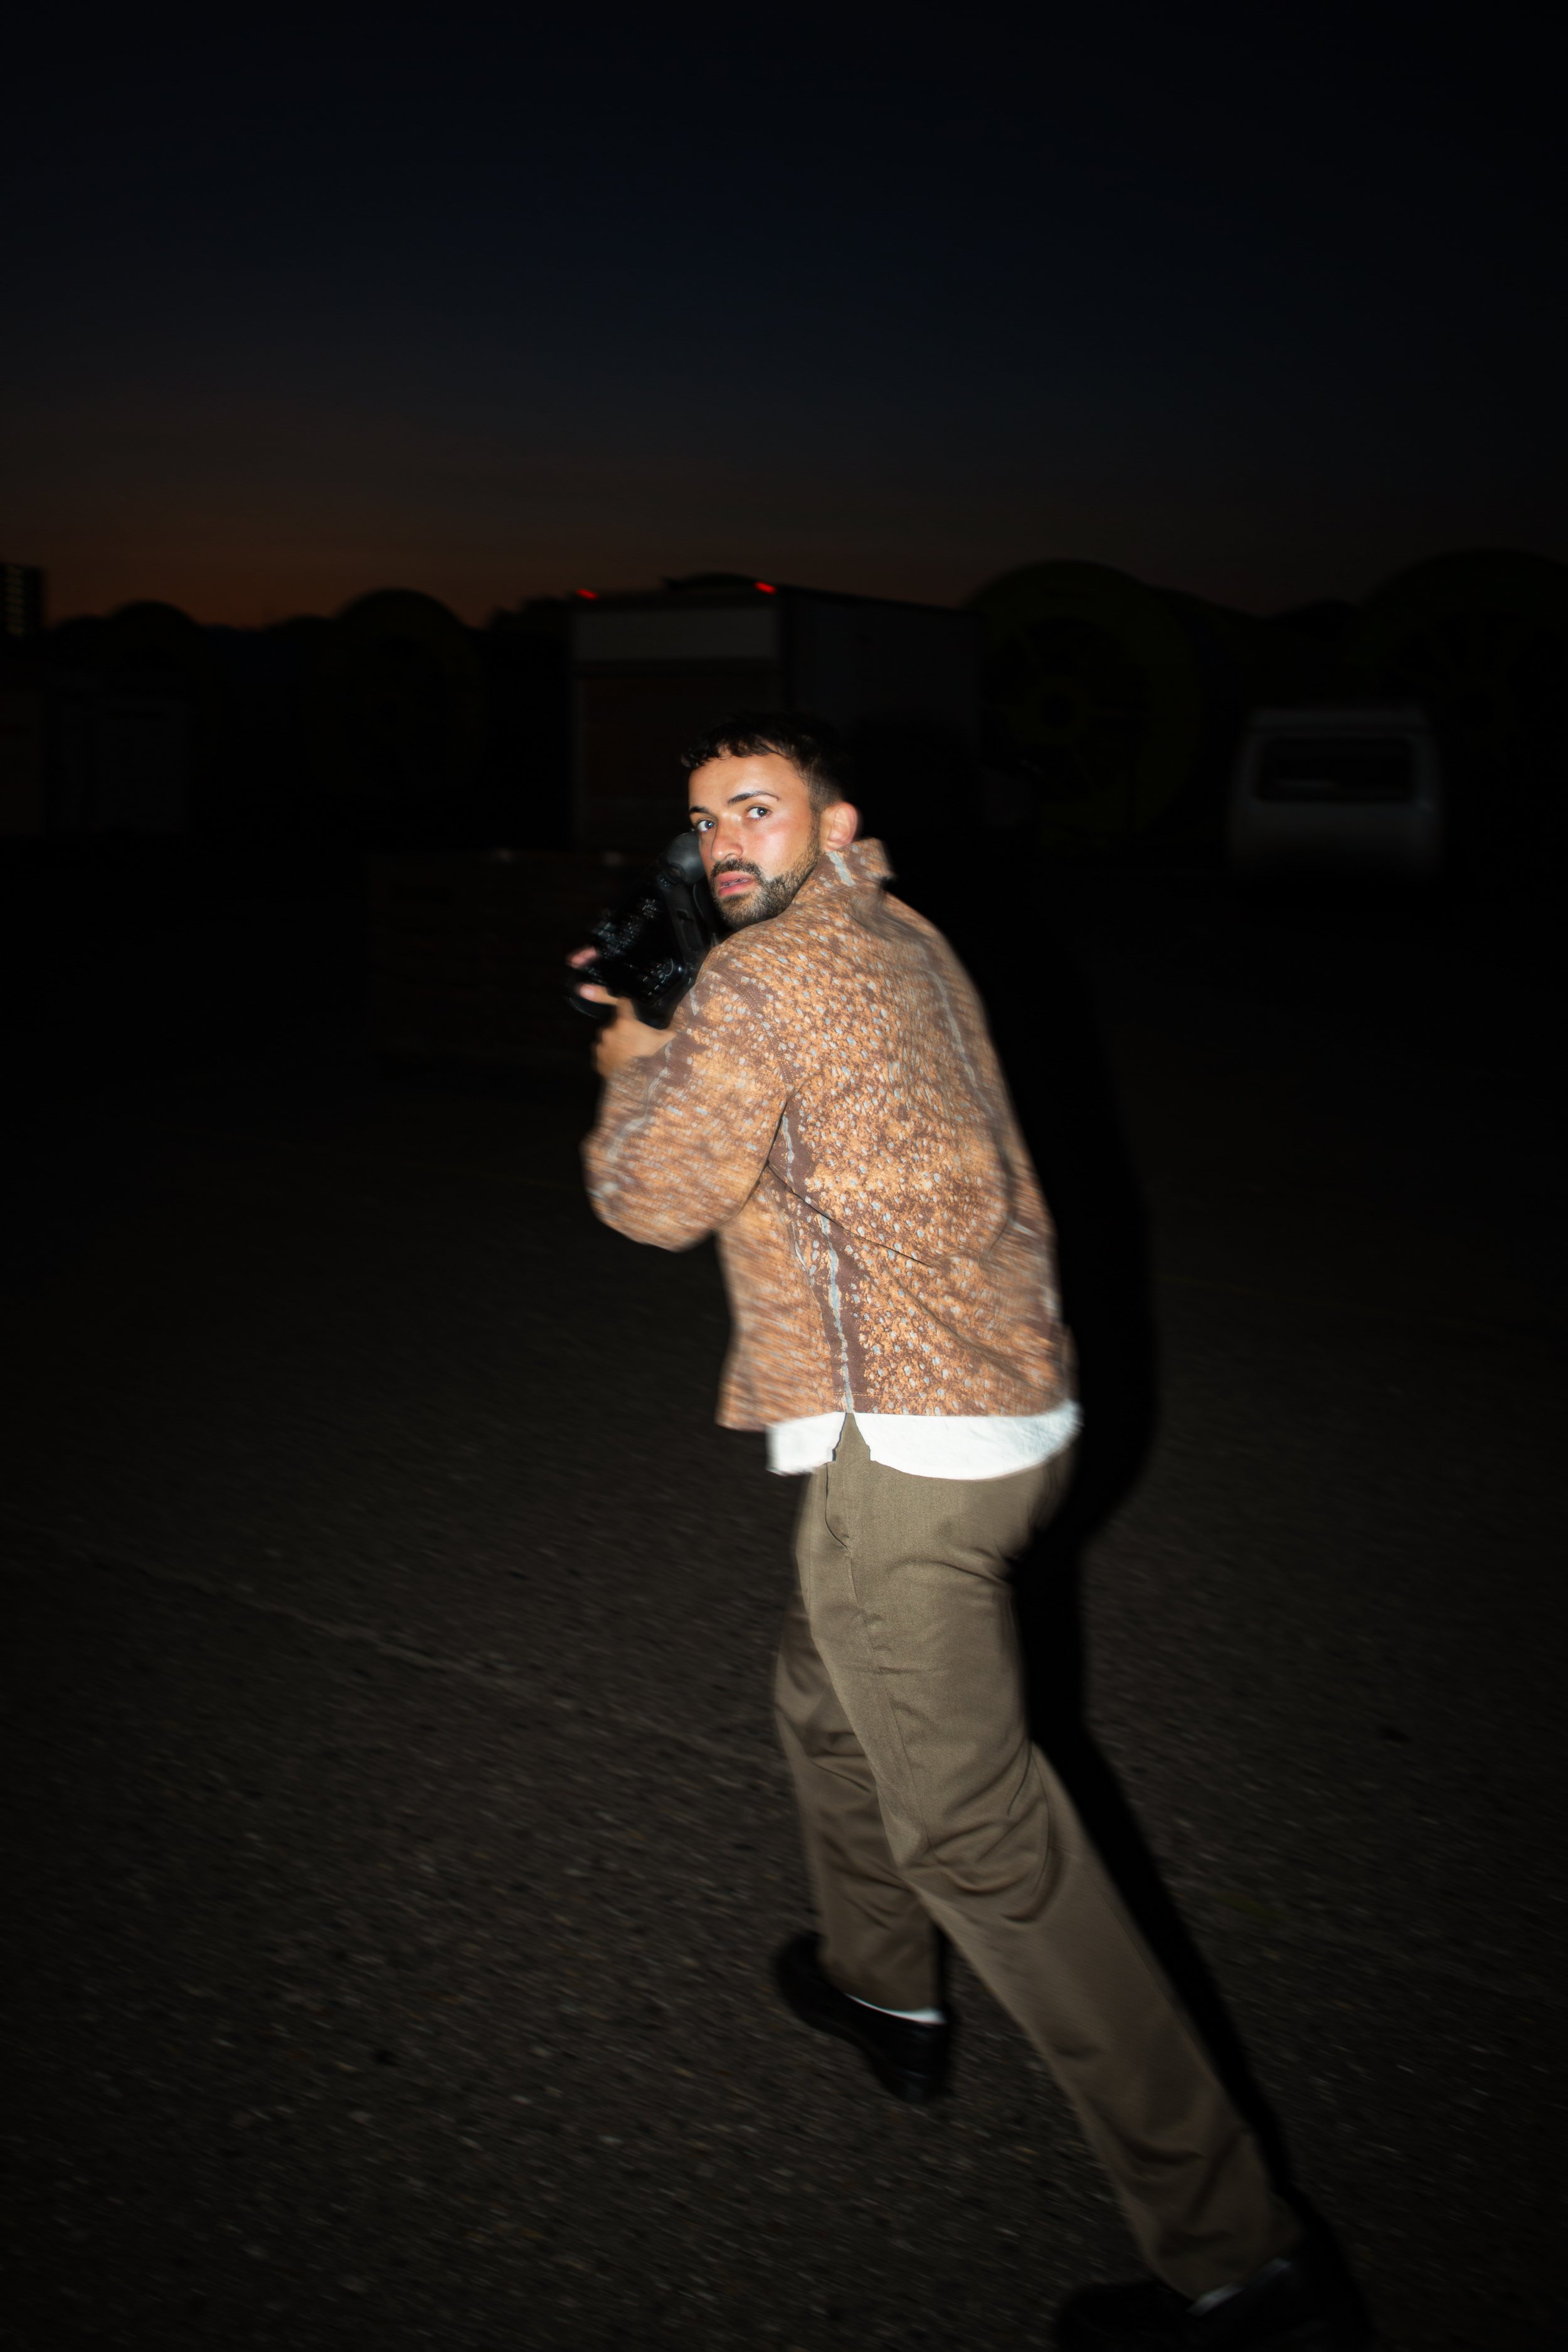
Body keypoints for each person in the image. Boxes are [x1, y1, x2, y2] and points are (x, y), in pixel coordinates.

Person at [577, 715, 1370, 2351]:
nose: (724, 842)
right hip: (1027, 1411)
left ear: (832, 818)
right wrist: (690, 1009)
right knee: (822, 1692)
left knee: (984, 1841)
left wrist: (625, 1062)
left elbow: (647, 1198)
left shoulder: (763, 981)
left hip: (913, 1452)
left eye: (756, 810)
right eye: (703, 821)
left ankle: (1238, 2265)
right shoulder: (901, 929)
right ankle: (883, 1985)